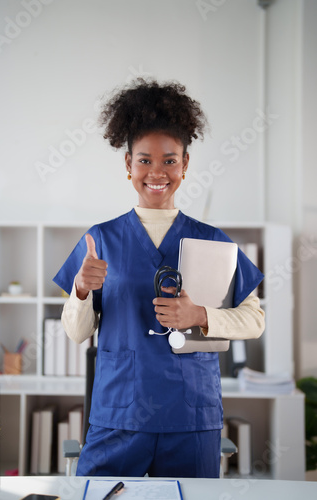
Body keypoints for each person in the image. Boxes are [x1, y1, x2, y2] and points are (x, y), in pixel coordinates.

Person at [53, 79, 265, 478]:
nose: (157, 172)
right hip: (119, 413)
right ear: (128, 165)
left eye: (169, 160)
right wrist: (81, 289)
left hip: (190, 417)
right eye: (145, 160)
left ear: (185, 165)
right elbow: (77, 332)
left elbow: (255, 320)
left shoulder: (213, 241)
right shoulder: (99, 239)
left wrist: (201, 314)